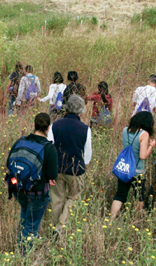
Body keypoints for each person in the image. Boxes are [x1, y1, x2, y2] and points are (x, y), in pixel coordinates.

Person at [8, 113, 58, 252]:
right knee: (31, 226)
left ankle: (20, 248)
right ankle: (24, 257)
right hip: (38, 192)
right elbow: (53, 174)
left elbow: (9, 162)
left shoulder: (21, 141)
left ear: (34, 125)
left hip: (18, 188)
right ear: (48, 128)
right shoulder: (49, 148)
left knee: (24, 218)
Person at [47, 95, 92, 233]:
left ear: (66, 108)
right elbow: (88, 155)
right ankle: (61, 226)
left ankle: (52, 226)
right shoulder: (85, 129)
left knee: (56, 199)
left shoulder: (55, 125)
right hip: (75, 170)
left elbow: (49, 147)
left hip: (57, 169)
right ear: (81, 111)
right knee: (74, 196)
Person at [110, 112, 156, 219]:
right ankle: (136, 219)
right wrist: (151, 146)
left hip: (125, 169)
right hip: (137, 171)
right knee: (139, 196)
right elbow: (143, 155)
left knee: (120, 195)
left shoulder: (125, 130)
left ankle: (110, 219)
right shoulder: (144, 134)